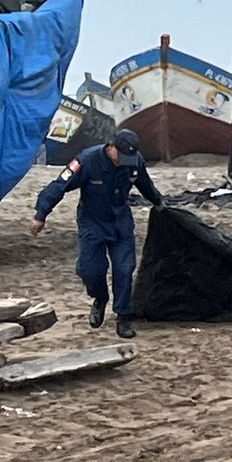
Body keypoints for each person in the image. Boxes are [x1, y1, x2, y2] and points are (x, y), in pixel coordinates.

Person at [30, 129, 164, 339]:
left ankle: (123, 317)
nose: (124, 161)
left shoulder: (134, 162)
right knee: (90, 269)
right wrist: (41, 214)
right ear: (111, 146)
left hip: (120, 222)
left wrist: (159, 203)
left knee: (124, 269)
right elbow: (59, 186)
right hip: (92, 222)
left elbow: (145, 185)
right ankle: (99, 298)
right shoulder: (87, 160)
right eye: (120, 156)